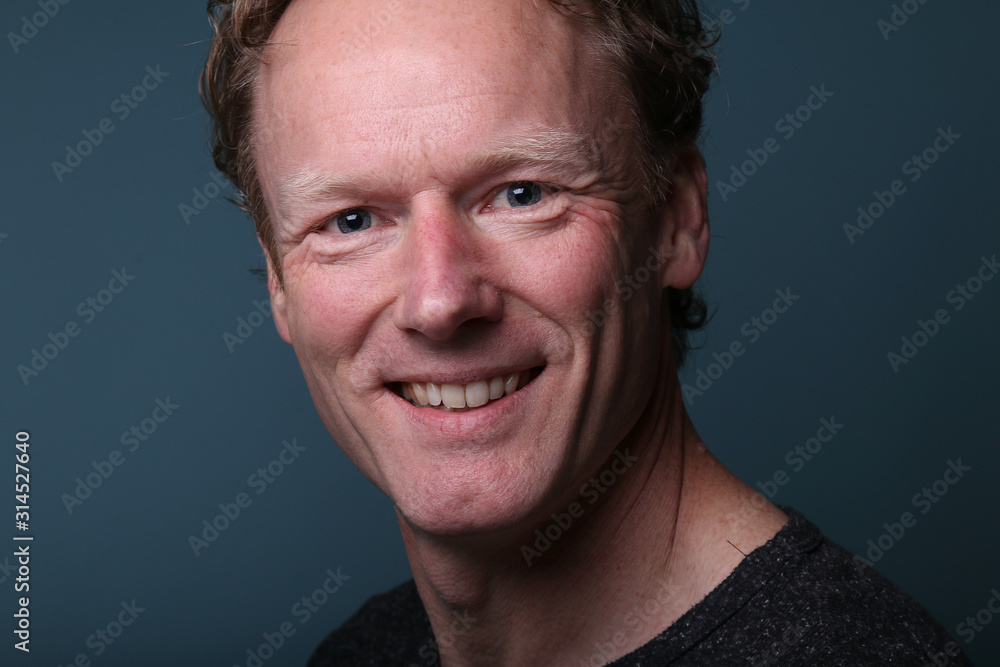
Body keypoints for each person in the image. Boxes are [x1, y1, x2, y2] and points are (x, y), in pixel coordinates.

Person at [201, 0, 971, 664]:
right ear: (276, 275)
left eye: (522, 193)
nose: (438, 301)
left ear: (676, 220)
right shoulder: (361, 653)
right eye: (353, 220)